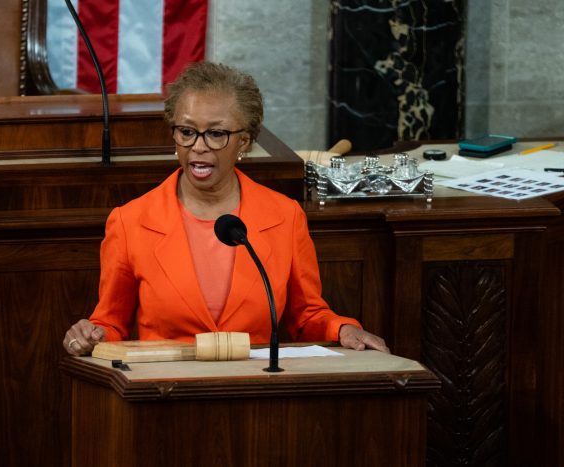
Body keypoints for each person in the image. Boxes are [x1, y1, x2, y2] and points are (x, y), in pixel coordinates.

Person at [63, 62, 389, 356]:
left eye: (217, 133)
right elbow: (111, 323)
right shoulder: (130, 221)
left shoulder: (284, 216)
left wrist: (343, 329)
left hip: (254, 392)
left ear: (244, 141)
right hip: (163, 395)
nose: (199, 146)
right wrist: (92, 335)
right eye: (187, 132)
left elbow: (306, 316)